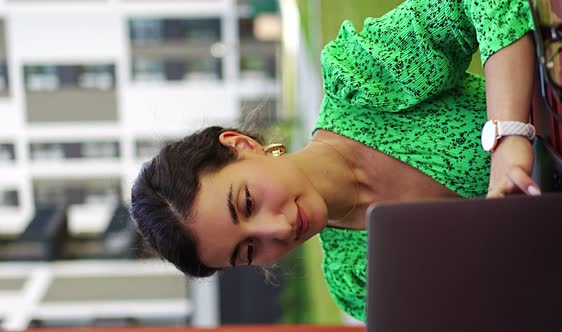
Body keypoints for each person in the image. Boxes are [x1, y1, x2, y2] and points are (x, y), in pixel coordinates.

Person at [130, 0, 541, 322]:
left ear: (241, 145)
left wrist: (508, 136)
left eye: (248, 203)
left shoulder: (360, 83)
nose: (280, 228)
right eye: (250, 250)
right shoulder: (359, 279)